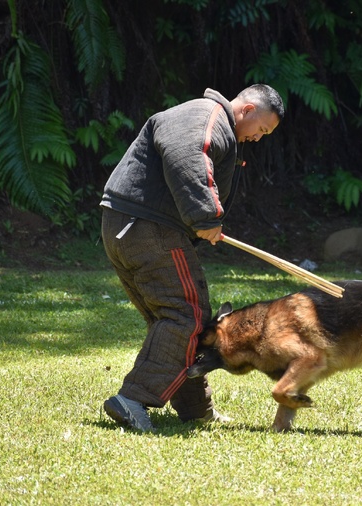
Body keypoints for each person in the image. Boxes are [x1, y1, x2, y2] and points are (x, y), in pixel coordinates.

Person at [99, 84, 285, 431]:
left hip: (129, 226)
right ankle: (132, 400)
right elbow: (187, 153)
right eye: (261, 130)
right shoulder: (205, 115)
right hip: (147, 227)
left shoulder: (209, 119)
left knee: (179, 319)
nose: (259, 139)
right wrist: (206, 216)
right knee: (187, 316)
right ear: (246, 110)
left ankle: (195, 409)